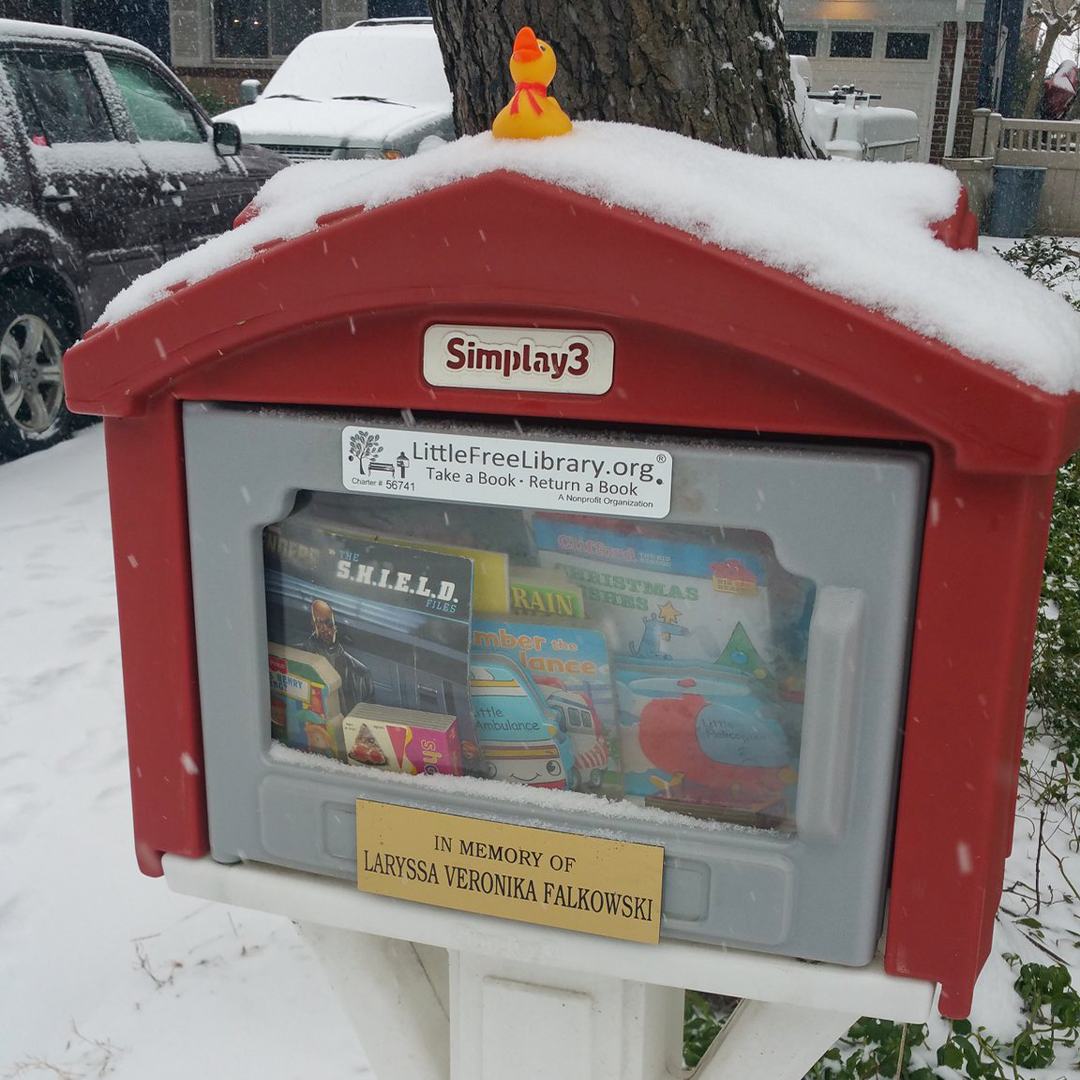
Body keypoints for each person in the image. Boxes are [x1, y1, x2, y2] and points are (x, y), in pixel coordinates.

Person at [302, 599, 374, 713]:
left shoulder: (361, 674)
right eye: (318, 623)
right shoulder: (294, 659)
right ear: (313, 623)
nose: (324, 628)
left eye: (328, 623)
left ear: (336, 625)